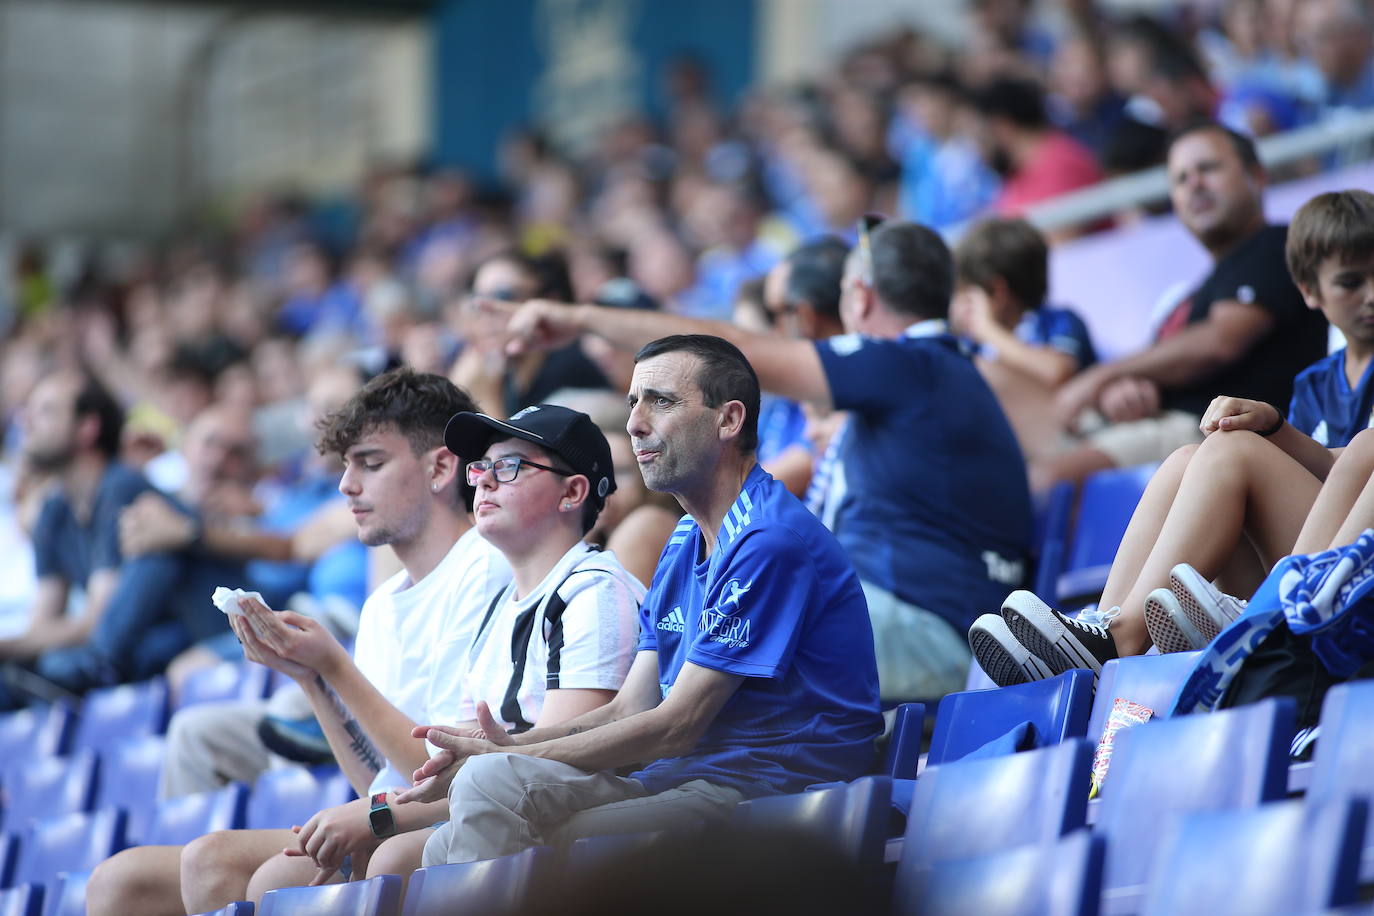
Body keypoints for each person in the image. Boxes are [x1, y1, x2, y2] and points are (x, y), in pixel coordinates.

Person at [491, 220, 1031, 701]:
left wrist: (583, 318)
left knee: (705, 643)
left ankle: (566, 710)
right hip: (921, 621)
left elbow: (724, 351)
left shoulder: (910, 363)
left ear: (860, 299)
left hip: (930, 633)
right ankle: (574, 719)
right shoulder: (922, 378)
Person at [398, 334, 882, 867]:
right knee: (445, 841)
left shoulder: (768, 541)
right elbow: (631, 706)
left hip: (776, 788)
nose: (634, 423)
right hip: (690, 780)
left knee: (527, 813)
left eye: (662, 401)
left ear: (728, 420)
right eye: (633, 402)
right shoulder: (681, 543)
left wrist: (513, 754)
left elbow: (678, 724)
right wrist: (505, 751)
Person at [86, 368, 512, 914]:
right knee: (119, 881)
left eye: (371, 464)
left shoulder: (485, 569)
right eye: (345, 466)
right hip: (386, 812)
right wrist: (309, 678)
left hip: (442, 820)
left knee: (226, 868)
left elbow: (433, 777)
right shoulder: (383, 602)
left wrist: (334, 666)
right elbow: (374, 779)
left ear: (440, 467)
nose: (346, 486)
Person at [970, 189, 1374, 684]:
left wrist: (1274, 429)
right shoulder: (1316, 380)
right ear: (1310, 291)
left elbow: (1358, 468)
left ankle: (1122, 643)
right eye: (1352, 282)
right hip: (1315, 557)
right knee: (1187, 457)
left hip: (1349, 579)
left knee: (1234, 453)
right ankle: (1106, 624)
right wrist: (1278, 430)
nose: (1371, 295)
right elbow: (1329, 481)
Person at [1037, 121, 1328, 492]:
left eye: (1208, 168)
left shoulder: (1276, 246)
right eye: (1181, 178)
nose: (1194, 184)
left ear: (1256, 175)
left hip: (1221, 433)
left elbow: (1220, 341)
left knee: (1048, 479)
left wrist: (1100, 377)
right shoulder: (1203, 286)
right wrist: (1128, 388)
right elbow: (1171, 364)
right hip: (1171, 423)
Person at [951, 216, 1097, 463]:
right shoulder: (970, 344)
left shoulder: (1057, 320)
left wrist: (987, 330)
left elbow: (1056, 371)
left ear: (997, 291)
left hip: (1071, 442)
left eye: (966, 293)